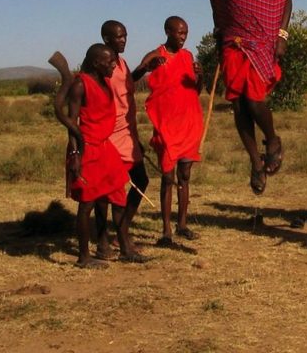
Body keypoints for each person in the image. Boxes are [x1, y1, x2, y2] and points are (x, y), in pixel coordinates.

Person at [208, 0, 292, 195]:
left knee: (254, 101)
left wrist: (282, 35)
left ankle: (273, 140)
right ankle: (256, 162)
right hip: (233, 42)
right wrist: (220, 35)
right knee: (239, 105)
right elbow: (217, 5)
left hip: (263, 41)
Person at [61, 44, 131, 268]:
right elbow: (71, 124)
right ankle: (84, 257)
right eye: (109, 61)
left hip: (105, 147)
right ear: (95, 63)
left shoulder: (106, 81)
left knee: (119, 195)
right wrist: (75, 156)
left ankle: (125, 247)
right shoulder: (81, 85)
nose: (113, 64)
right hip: (87, 149)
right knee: (87, 204)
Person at [137, 16, 204, 246]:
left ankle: (182, 224)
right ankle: (166, 230)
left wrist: (201, 74)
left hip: (188, 123)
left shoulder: (187, 57)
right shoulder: (156, 55)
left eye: (186, 33)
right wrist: (147, 67)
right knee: (168, 177)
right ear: (168, 31)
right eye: (179, 33)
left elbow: (196, 89)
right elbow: (135, 76)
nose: (184, 37)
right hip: (166, 126)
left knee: (185, 176)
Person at [95, 20, 151, 262]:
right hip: (109, 134)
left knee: (141, 179)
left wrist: (144, 69)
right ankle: (103, 240)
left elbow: (127, 86)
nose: (123, 40)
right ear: (106, 39)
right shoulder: (103, 66)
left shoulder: (123, 63)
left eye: (125, 36)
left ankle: (122, 231)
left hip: (127, 132)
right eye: (118, 37)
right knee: (107, 190)